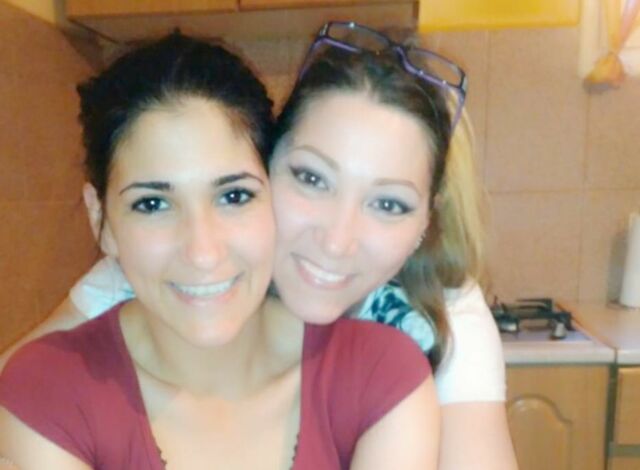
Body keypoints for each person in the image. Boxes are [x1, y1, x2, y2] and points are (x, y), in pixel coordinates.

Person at [1, 22, 517, 470]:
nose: (336, 242)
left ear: (427, 221)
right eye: (312, 179)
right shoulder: (140, 278)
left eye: (389, 204)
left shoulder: (440, 320)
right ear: (269, 165)